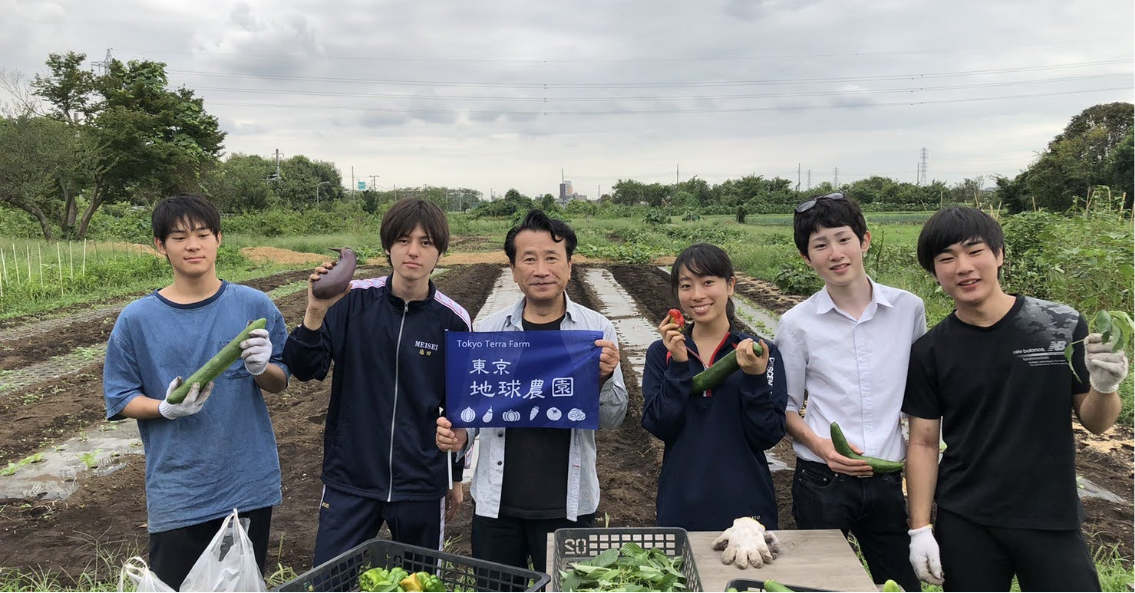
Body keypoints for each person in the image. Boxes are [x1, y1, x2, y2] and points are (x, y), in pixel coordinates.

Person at [904, 205, 1128, 592]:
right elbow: (923, 442)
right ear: (935, 272)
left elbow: (1096, 422)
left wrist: (1106, 387)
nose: (963, 267)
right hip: (968, 517)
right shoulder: (930, 351)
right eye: (947, 258)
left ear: (999, 255)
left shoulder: (1059, 325)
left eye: (975, 251)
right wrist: (920, 528)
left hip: (1050, 514)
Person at [103, 192, 290, 588]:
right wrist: (164, 408)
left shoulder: (253, 306)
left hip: (248, 482)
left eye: (203, 234)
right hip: (178, 489)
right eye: (178, 237)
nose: (193, 245)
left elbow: (280, 381)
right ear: (160, 245)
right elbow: (120, 398)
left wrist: (261, 368)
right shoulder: (137, 319)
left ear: (218, 238)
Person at [435, 209, 628, 575]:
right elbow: (477, 408)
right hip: (497, 507)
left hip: (570, 505)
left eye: (552, 258)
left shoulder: (596, 329)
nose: (541, 269)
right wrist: (460, 432)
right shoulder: (489, 329)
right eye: (529, 259)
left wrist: (601, 380)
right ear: (513, 269)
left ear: (570, 266)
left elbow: (612, 419)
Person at [283, 198, 470, 566]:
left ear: (440, 252)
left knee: (419, 584)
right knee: (329, 581)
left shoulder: (453, 320)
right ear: (388, 246)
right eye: (403, 240)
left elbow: (460, 408)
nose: (413, 251)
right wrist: (315, 312)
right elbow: (305, 368)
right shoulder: (352, 301)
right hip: (350, 477)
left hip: (421, 483)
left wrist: (456, 476)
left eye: (426, 242)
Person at [773, 192, 924, 593]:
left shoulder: (909, 310)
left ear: (865, 240)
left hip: (888, 482)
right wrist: (822, 446)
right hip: (822, 483)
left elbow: (922, 401)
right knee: (821, 587)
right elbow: (786, 408)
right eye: (820, 245)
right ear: (807, 258)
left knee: (900, 584)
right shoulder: (796, 324)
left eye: (843, 239)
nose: (835, 253)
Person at [641, 243, 787, 538]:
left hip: (747, 503)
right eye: (686, 285)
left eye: (708, 282)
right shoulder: (662, 354)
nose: (697, 295)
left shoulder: (761, 353)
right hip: (680, 503)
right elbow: (659, 425)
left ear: (730, 285)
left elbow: (767, 435)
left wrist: (756, 378)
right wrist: (680, 367)